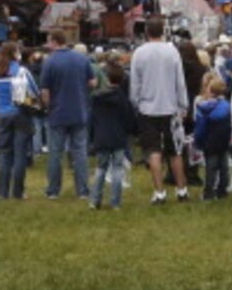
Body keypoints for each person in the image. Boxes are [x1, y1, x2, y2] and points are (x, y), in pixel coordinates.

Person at [129, 18, 191, 202]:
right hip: (170, 107)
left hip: (147, 108)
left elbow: (135, 82)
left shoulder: (139, 53)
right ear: (163, 31)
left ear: (147, 32)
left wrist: (136, 102)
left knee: (153, 151)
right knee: (175, 151)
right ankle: (182, 189)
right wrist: (183, 104)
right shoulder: (172, 52)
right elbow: (179, 81)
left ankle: (159, 191)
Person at [38, 32, 94, 199]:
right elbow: (93, 82)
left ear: (54, 42)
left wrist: (48, 107)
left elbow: (45, 91)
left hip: (58, 112)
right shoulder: (81, 59)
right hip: (79, 111)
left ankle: (53, 190)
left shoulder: (49, 62)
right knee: (80, 152)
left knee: (55, 153)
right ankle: (83, 190)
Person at [0, 42, 38, 201]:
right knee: (20, 154)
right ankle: (18, 191)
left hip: (3, 114)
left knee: (5, 153)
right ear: (14, 54)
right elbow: (34, 91)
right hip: (20, 113)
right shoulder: (21, 71)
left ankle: (2, 192)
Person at [90, 59, 137, 209]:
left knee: (100, 168)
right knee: (117, 169)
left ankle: (94, 200)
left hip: (101, 136)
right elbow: (130, 119)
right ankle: (115, 202)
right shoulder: (123, 99)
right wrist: (131, 132)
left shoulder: (97, 98)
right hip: (118, 137)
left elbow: (92, 119)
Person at [189, 68, 230, 202]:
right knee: (224, 165)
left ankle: (208, 192)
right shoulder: (226, 105)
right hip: (224, 139)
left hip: (209, 139)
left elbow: (199, 124)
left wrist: (198, 140)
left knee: (210, 167)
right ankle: (222, 189)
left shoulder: (202, 106)